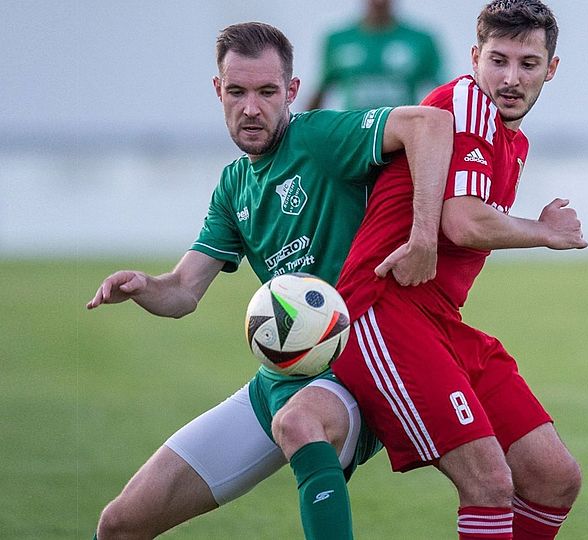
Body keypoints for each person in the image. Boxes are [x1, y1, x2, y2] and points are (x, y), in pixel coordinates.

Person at [86, 21, 452, 539]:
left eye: (266, 92)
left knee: (299, 423)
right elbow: (184, 292)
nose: (251, 108)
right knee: (119, 524)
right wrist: (146, 286)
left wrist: (423, 238)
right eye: (236, 92)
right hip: (279, 381)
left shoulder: (320, 138)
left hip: (353, 373)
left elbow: (430, 125)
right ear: (218, 90)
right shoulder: (235, 185)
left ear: (293, 92)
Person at [330, 1, 584, 538]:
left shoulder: (512, 138)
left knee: (553, 477)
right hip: (382, 312)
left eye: (528, 64)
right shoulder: (467, 102)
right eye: (498, 60)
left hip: (440, 320)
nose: (511, 78)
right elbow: (464, 222)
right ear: (474, 58)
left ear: (552, 69)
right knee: (490, 482)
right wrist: (543, 231)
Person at [305, 0, 443, 111]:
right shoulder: (338, 40)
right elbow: (322, 89)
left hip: (403, 135)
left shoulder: (420, 40)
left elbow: (443, 92)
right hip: (355, 133)